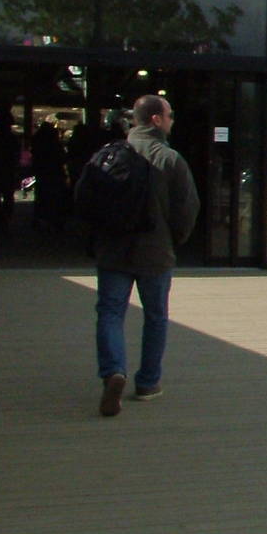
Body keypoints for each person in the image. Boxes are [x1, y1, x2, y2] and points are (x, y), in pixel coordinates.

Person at [81, 94, 200, 417]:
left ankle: (113, 372)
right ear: (156, 120)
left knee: (110, 313)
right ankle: (148, 382)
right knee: (156, 316)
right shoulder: (170, 159)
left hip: (113, 251)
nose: (173, 120)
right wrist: (175, 240)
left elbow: (84, 199)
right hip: (155, 252)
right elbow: (188, 209)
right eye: (170, 114)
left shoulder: (107, 156)